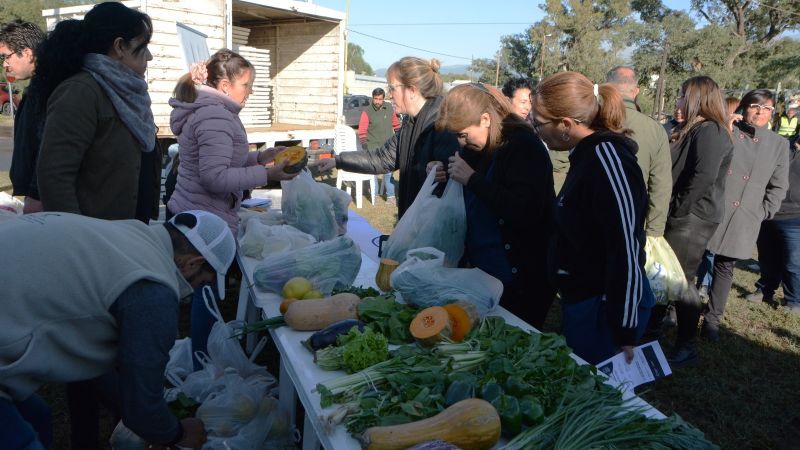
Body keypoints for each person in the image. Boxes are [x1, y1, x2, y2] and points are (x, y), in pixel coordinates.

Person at [0, 209, 234, 450]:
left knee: (36, 416)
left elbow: (94, 368)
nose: (191, 292)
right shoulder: (153, 290)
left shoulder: (130, 233)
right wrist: (178, 433)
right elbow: (141, 412)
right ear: (192, 263)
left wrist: (136, 407)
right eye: (201, 282)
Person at [168, 48, 297, 368]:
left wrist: (261, 156)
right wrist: (268, 174)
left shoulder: (214, 110)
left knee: (205, 293)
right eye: (246, 85)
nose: (250, 92)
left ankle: (204, 358)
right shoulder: (215, 115)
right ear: (224, 85)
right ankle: (203, 365)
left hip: (196, 213)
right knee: (206, 294)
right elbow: (215, 177)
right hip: (203, 222)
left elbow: (227, 162)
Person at [532, 71, 653, 365]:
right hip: (584, 299)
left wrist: (624, 330)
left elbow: (625, 246)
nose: (534, 129)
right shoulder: (585, 155)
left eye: (538, 123)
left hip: (604, 308)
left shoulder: (608, 161)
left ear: (565, 124)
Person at [431, 82, 556, 329]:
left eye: (463, 135)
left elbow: (525, 212)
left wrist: (471, 179)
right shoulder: (479, 147)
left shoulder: (523, 147)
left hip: (521, 280)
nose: (461, 143)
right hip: (486, 272)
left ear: (486, 119)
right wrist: (443, 174)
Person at [35, 2, 161, 223]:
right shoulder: (81, 92)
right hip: (96, 238)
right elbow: (55, 176)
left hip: (129, 231)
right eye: (143, 46)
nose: (149, 56)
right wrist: (79, 235)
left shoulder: (130, 92)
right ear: (120, 46)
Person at [318, 57, 460, 217]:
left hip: (431, 228)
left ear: (412, 90)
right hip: (412, 221)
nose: (389, 95)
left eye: (392, 88)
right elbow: (382, 158)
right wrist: (338, 160)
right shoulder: (410, 122)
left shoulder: (442, 124)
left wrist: (440, 173)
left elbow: (453, 182)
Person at [702, 90, 790, 337]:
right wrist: (725, 130)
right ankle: (676, 310)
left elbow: (779, 185)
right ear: (744, 109)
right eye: (755, 106)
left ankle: (712, 321)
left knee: (725, 267)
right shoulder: (728, 131)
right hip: (712, 207)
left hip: (745, 214)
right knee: (693, 260)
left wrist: (763, 211)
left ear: (773, 113)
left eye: (767, 108)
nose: (761, 112)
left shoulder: (779, 145)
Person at [662, 76, 734, 365]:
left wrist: (679, 209)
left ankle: (686, 344)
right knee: (671, 276)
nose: (678, 101)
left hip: (693, 217)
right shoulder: (691, 128)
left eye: (682, 96)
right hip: (685, 214)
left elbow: (702, 177)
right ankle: (659, 331)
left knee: (682, 281)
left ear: (698, 99)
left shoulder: (711, 131)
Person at [745, 134, 800, 314]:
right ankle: (765, 290)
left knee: (793, 263)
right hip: (769, 211)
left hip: (795, 217)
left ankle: (793, 301)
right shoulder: (784, 143)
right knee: (767, 257)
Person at [0, 20, 45, 214]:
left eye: (6, 56)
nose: (4, 63)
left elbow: (47, 147)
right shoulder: (37, 87)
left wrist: (35, 195)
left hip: (42, 201)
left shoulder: (46, 90)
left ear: (27, 53)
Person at [358, 87, 401, 204]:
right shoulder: (367, 112)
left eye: (380, 99)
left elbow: (396, 126)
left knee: (388, 174)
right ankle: (375, 195)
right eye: (375, 99)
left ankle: (391, 197)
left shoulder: (389, 109)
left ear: (383, 99)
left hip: (388, 148)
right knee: (374, 174)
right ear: (372, 98)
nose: (377, 101)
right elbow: (362, 131)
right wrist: (365, 146)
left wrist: (399, 139)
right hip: (373, 148)